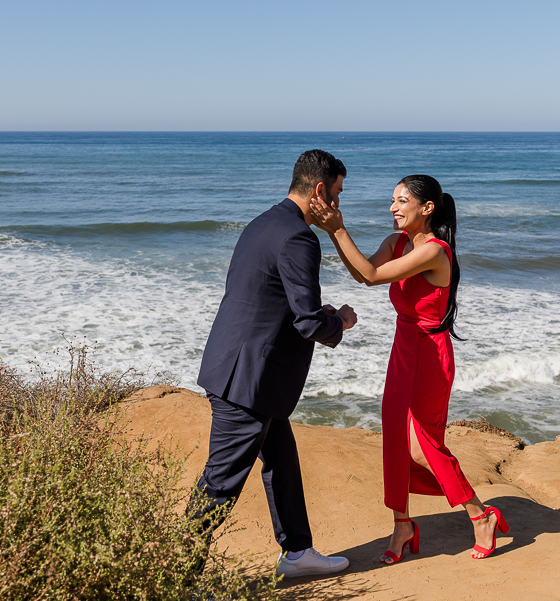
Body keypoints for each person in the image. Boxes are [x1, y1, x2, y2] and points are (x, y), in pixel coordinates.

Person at [309, 174, 509, 563]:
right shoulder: (397, 242)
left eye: (402, 201)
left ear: (427, 208)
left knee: (423, 446)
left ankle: (481, 515)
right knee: (396, 440)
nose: (393, 208)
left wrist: (338, 227)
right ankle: (403, 525)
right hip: (403, 347)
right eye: (392, 200)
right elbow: (362, 272)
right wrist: (333, 232)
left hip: (431, 354)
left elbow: (371, 275)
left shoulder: (435, 251)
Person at [195, 149, 358, 578]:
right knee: (220, 485)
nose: (338, 205)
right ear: (320, 191)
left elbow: (269, 299)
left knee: (282, 458)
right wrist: (338, 321)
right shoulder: (299, 238)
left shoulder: (264, 222)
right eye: (338, 194)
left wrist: (312, 313)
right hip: (249, 381)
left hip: (244, 370)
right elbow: (307, 323)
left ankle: (298, 552)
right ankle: (179, 579)